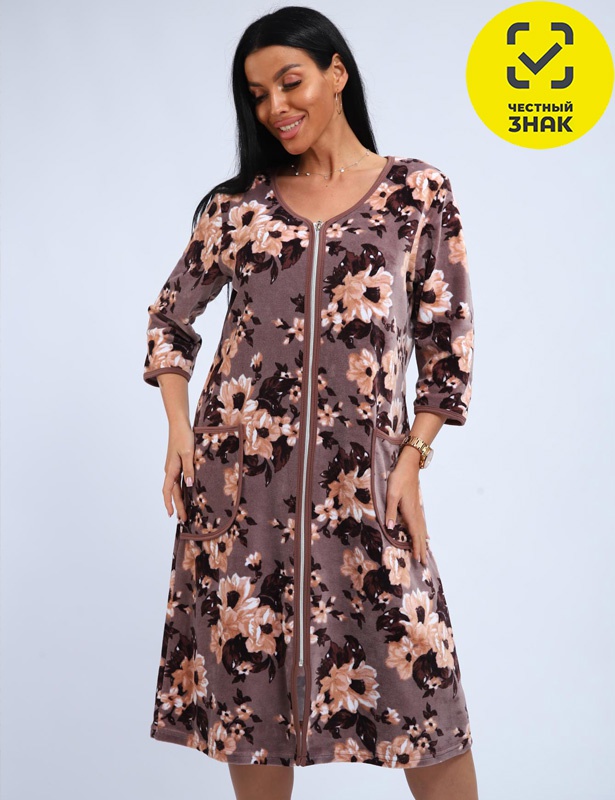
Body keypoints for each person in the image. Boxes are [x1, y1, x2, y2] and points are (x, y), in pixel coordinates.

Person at [143, 6, 478, 800]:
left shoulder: (416, 192)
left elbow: (446, 344)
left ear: (336, 72)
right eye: (257, 94)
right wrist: (179, 430)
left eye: (289, 82)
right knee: (251, 696)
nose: (274, 107)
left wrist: (413, 456)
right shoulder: (239, 208)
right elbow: (169, 319)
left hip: (363, 486)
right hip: (239, 488)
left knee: (422, 691)